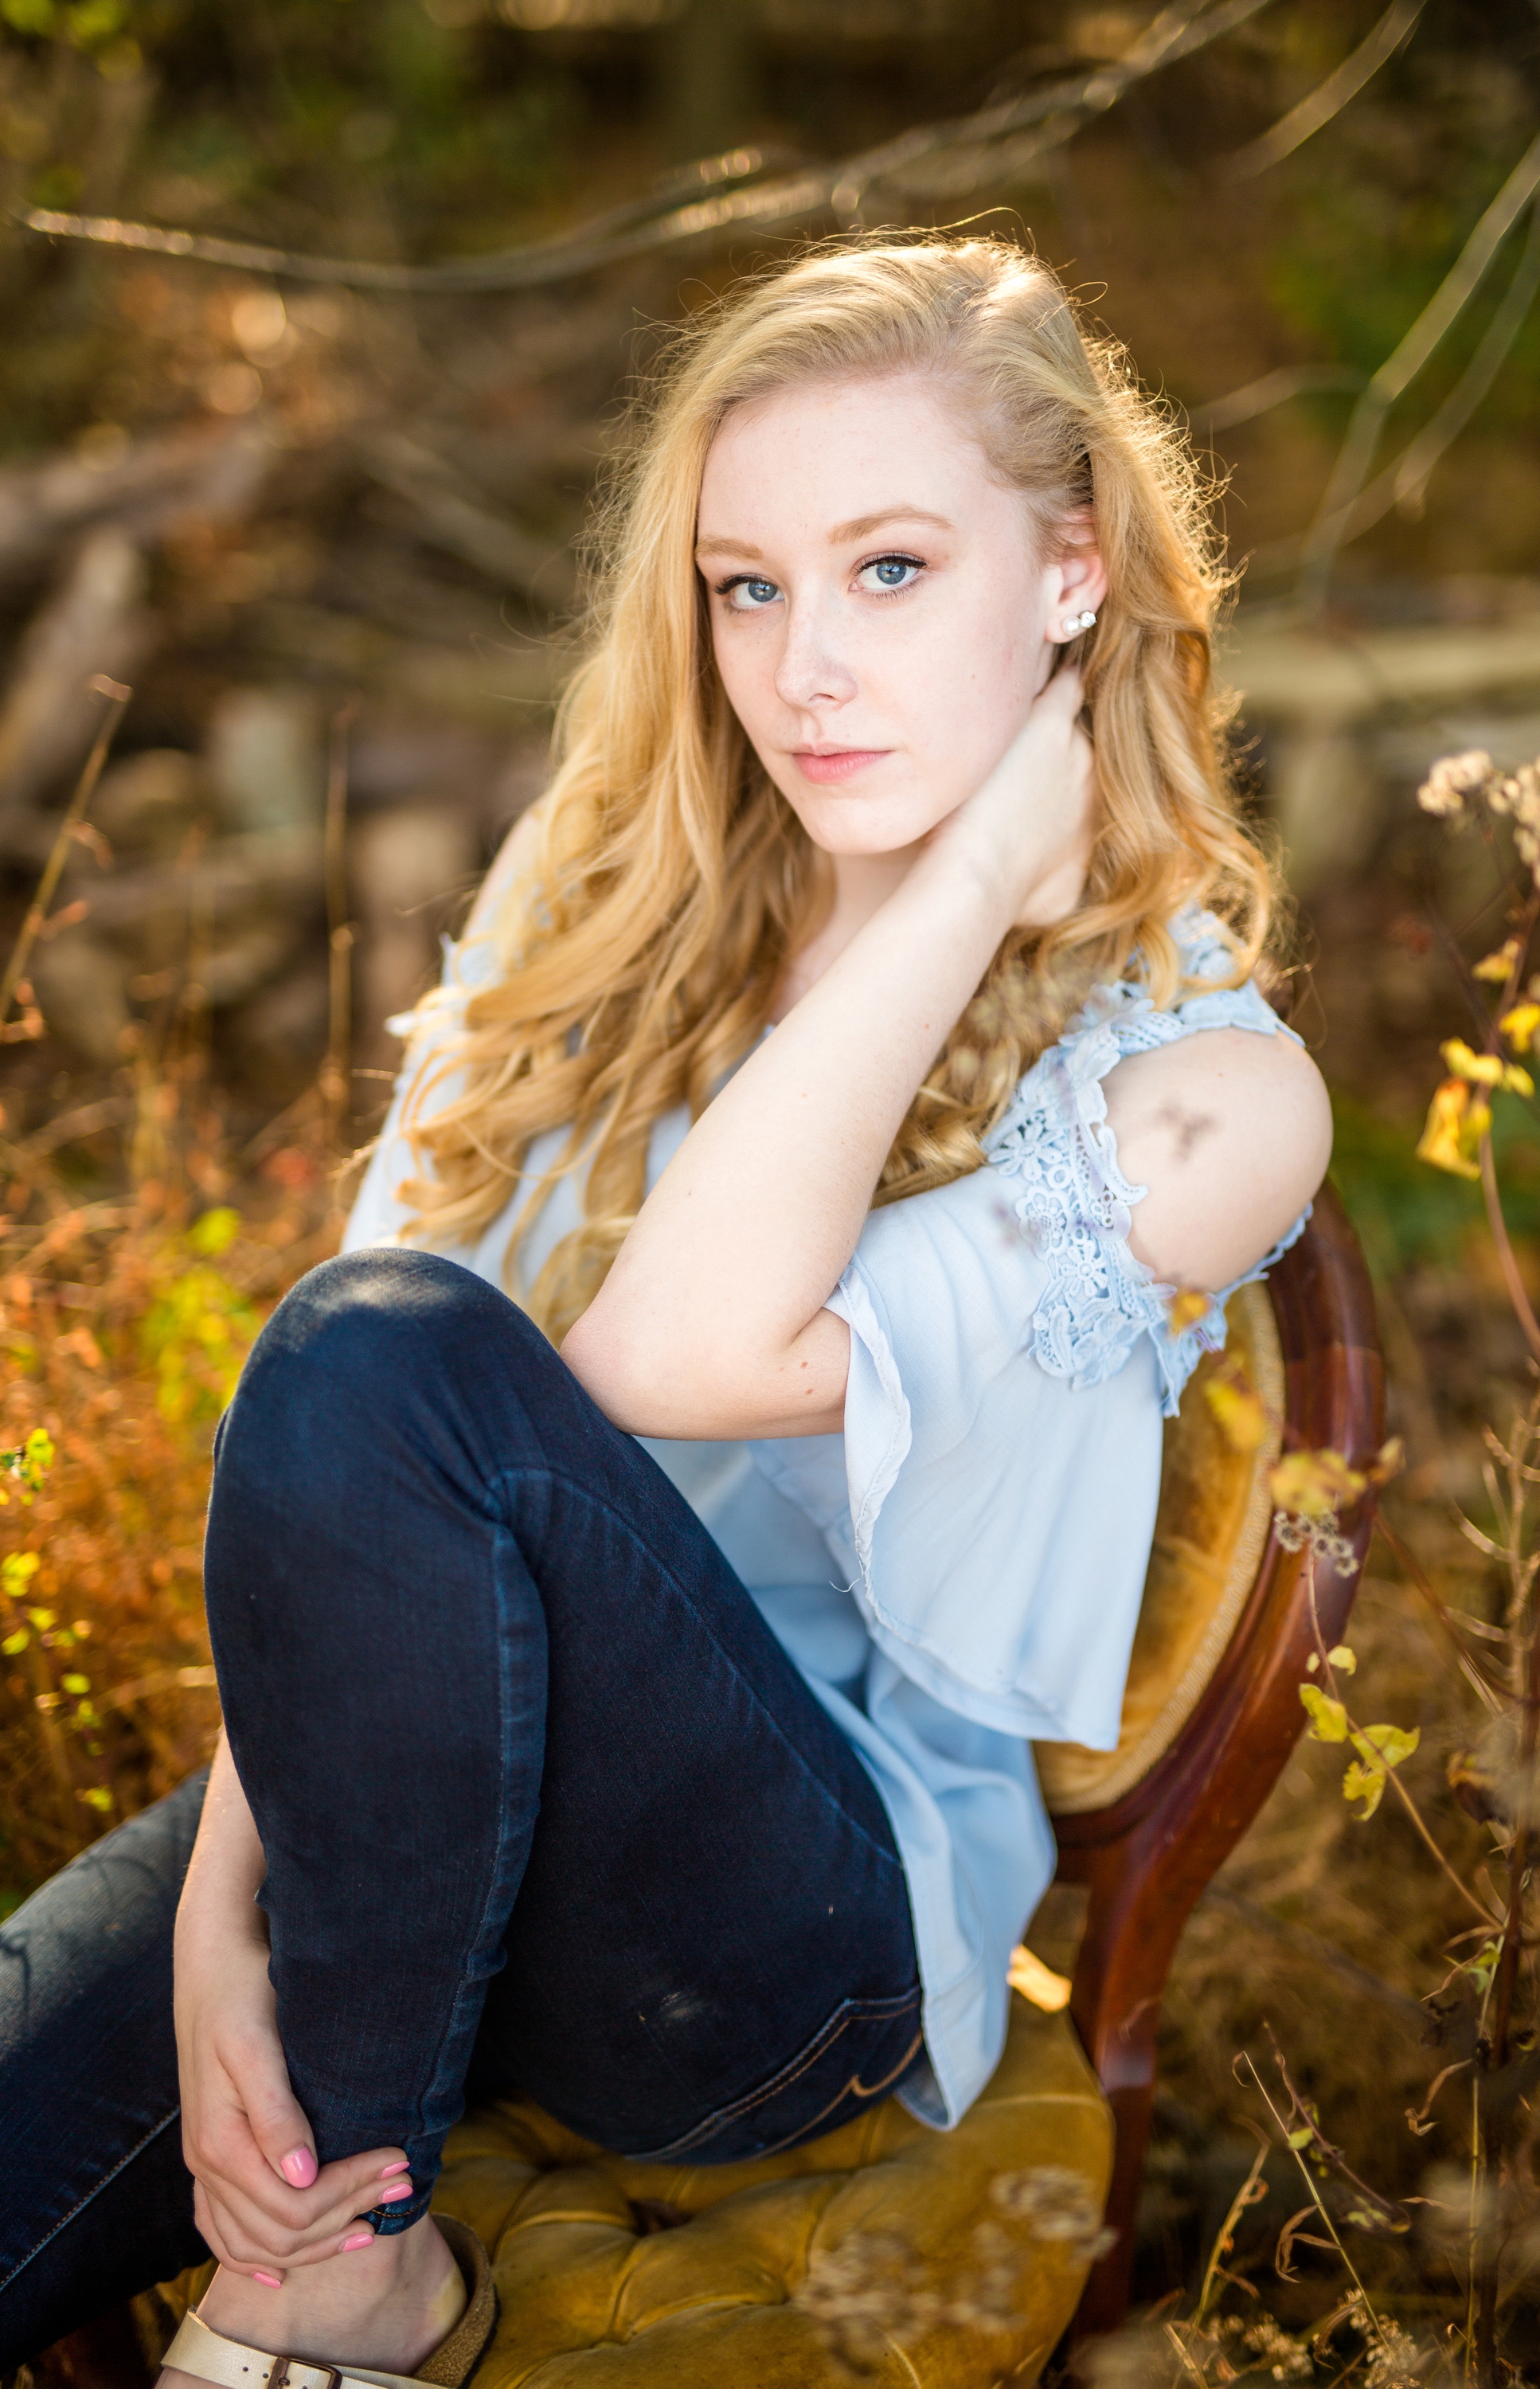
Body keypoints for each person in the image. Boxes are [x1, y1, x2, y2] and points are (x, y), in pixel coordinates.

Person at [0, 236, 1331, 2387]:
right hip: (410, 1816)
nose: (804, 668)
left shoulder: (1210, 1094)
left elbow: (646, 1371)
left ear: (1073, 571)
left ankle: (350, 2290)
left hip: (779, 1945)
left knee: (385, 1341)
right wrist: (227, 1915)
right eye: (748, 586)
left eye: (890, 570)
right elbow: (357, 1488)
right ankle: (338, 2208)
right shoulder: (608, 882)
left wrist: (980, 876)